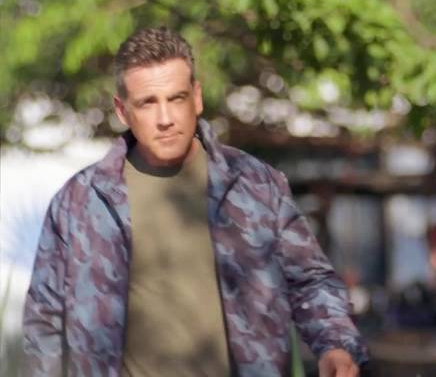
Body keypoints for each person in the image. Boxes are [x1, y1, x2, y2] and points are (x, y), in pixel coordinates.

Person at [22, 26, 368, 377]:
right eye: (147, 103)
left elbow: (310, 280)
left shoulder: (254, 185)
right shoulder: (79, 202)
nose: (165, 119)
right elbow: (45, 319)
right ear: (122, 111)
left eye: (177, 98)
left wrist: (336, 345)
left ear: (197, 98)